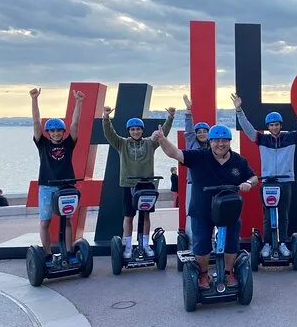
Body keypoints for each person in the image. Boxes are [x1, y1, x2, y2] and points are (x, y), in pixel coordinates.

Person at [152, 124, 258, 289]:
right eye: (216, 140)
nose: (220, 144)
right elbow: (175, 153)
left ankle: (229, 272)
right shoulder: (199, 156)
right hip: (202, 209)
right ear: (210, 141)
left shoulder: (238, 161)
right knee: (201, 244)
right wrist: (162, 140)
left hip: (229, 210)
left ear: (229, 142)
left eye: (224, 140)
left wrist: (248, 183)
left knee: (231, 242)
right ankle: (203, 274)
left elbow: (253, 177)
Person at [231, 92, 297, 259]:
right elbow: (247, 128)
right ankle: (267, 244)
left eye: (276, 125)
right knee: (267, 216)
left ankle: (283, 243)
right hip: (267, 182)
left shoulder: (291, 137)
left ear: (281, 125)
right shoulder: (262, 139)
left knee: (284, 215)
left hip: (285, 181)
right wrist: (239, 110)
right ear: (268, 126)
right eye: (271, 125)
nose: (274, 127)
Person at [102, 105, 174, 259]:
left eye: (138, 129)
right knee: (129, 216)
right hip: (129, 185)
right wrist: (106, 118)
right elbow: (109, 134)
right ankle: (128, 247)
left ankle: (145, 245)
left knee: (146, 215)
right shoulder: (122, 144)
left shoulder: (150, 143)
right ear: (129, 131)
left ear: (142, 130)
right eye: (133, 129)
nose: (136, 132)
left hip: (146, 185)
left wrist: (170, 117)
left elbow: (163, 133)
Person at [30, 87, 84, 257]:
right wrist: (34, 99)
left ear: (63, 132)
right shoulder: (43, 144)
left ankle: (69, 252)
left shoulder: (68, 143)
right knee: (45, 221)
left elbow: (75, 124)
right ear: (48, 133)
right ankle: (47, 254)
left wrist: (79, 102)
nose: (55, 133)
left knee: (67, 220)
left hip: (66, 186)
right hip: (47, 186)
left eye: (59, 130)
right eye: (52, 131)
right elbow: (36, 122)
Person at [181, 94, 211, 243]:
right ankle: (192, 242)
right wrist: (188, 110)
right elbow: (189, 130)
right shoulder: (192, 143)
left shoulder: (214, 147)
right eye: (199, 132)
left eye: (205, 131)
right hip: (193, 184)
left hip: (209, 184)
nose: (202, 134)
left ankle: (210, 240)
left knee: (210, 212)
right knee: (191, 212)